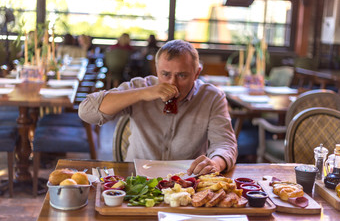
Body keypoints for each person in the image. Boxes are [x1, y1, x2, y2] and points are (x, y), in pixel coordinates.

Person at [79, 40, 237, 175]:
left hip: (186, 183)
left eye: (182, 75)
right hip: (136, 180)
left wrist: (216, 163)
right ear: (156, 71)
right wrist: (143, 93)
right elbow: (86, 112)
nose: (172, 83)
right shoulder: (140, 86)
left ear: (196, 73)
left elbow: (225, 144)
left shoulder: (212, 97)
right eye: (165, 74)